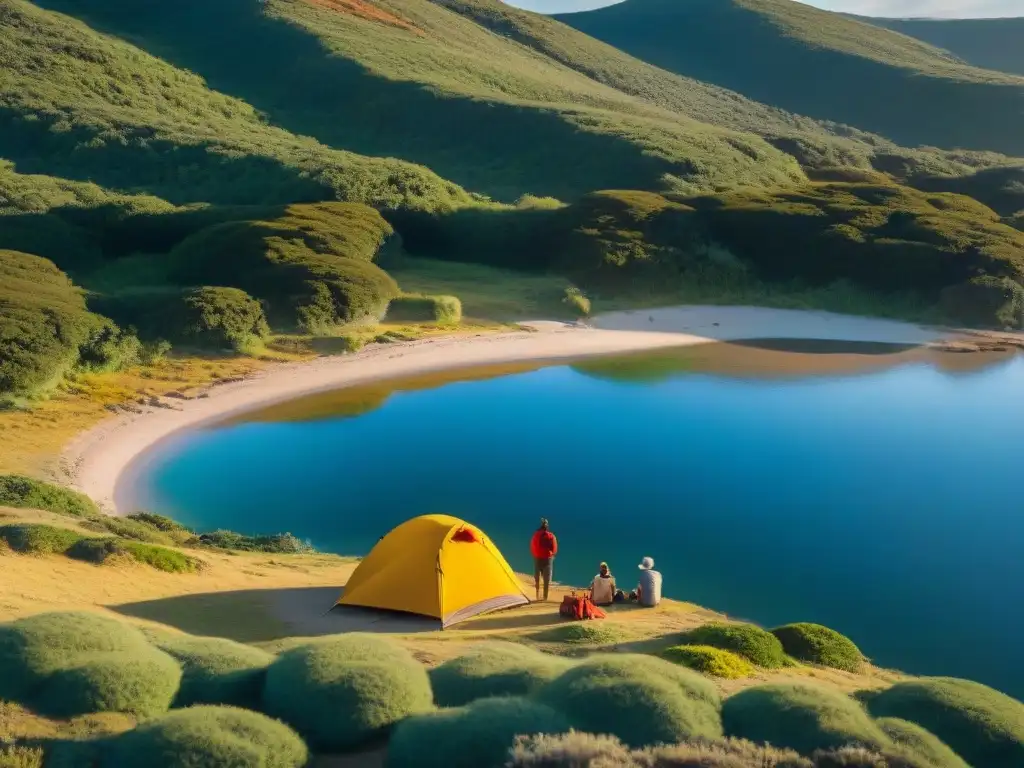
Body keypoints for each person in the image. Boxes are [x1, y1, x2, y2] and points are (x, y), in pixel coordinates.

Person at [529, 518, 558, 601]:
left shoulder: (536, 535)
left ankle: (537, 594)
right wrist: (552, 554)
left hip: (537, 558)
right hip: (548, 559)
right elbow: (554, 548)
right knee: (546, 579)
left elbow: (532, 546)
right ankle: (545, 597)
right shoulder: (551, 536)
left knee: (537, 578)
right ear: (547, 526)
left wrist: (535, 554)